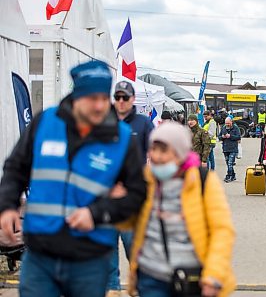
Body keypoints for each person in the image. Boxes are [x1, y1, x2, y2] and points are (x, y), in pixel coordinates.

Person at [0, 60, 147, 297]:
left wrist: (97, 213)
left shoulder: (121, 138)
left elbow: (138, 193)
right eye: (92, 98)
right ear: (76, 96)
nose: (100, 106)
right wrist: (6, 206)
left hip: (90, 259)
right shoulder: (45, 123)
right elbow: (16, 167)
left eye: (103, 97)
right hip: (40, 254)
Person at [122, 122, 236, 297]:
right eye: (154, 149)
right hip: (150, 276)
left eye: (164, 151)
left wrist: (214, 274)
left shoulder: (203, 181)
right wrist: (120, 199)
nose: (157, 157)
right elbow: (127, 221)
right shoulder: (146, 179)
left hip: (191, 278)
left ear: (181, 153)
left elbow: (222, 230)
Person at [108, 81, 154, 296]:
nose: (121, 101)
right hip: (106, 196)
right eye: (117, 97)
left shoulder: (143, 123)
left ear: (133, 99)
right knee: (107, 246)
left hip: (131, 195)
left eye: (125, 97)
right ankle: (112, 289)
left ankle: (139, 284)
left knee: (132, 245)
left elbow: (155, 155)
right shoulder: (104, 122)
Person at [218, 117, 241, 183]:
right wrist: (222, 137)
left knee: (230, 163)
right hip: (225, 148)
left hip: (233, 148)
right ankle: (233, 175)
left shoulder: (235, 128)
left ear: (231, 122)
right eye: (226, 123)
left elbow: (238, 137)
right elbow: (219, 136)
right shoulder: (224, 128)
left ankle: (229, 175)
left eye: (228, 123)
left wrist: (230, 136)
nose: (227, 124)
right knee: (228, 163)